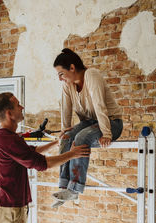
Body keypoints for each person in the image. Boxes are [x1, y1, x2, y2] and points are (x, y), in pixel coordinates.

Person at [0, 92, 90, 223]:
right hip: (9, 210)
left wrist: (56, 143)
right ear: (9, 113)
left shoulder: (8, 136)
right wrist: (72, 154)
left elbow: (31, 153)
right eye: (18, 105)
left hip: (12, 208)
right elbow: (42, 164)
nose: (22, 107)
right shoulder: (6, 139)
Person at [51, 48, 123, 208]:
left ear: (72, 67)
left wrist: (106, 133)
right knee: (66, 137)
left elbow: (99, 105)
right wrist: (65, 129)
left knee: (81, 138)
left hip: (111, 123)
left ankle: (74, 189)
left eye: (61, 74)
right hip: (91, 123)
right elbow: (66, 108)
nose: (60, 78)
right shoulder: (67, 85)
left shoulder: (91, 75)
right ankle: (64, 187)